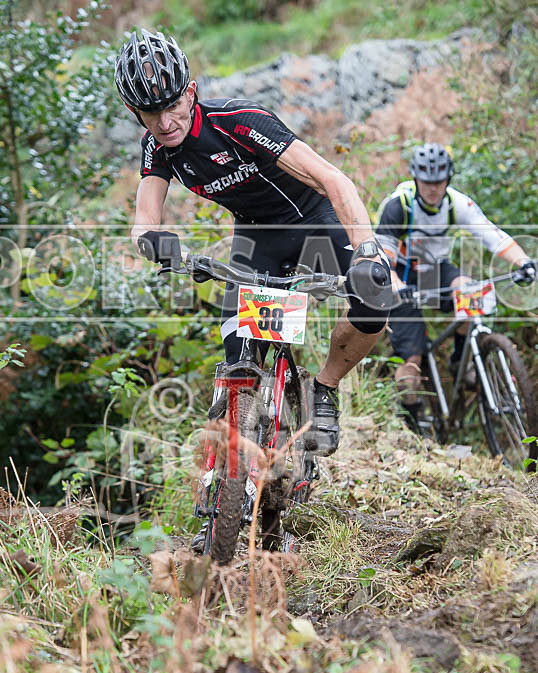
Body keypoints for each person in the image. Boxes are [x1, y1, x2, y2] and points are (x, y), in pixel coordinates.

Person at [114, 28, 392, 456]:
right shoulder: (158, 147)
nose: (165, 122)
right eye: (151, 113)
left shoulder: (239, 121)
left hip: (314, 218)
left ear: (191, 92)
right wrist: (154, 243)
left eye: (172, 105)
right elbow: (144, 220)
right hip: (258, 237)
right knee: (239, 361)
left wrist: (367, 249)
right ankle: (232, 482)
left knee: (375, 299)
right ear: (135, 111)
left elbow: (333, 179)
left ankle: (325, 387)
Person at [375, 142, 536, 429]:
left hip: (435, 269)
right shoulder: (397, 206)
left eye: (439, 182)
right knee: (410, 365)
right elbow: (382, 257)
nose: (433, 188)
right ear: (416, 179)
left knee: (468, 288)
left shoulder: (456, 203)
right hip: (400, 274)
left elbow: (494, 237)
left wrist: (523, 261)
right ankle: (414, 424)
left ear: (448, 179)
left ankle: (463, 357)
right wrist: (398, 286)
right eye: (427, 182)